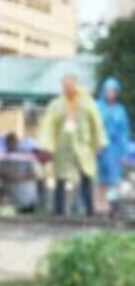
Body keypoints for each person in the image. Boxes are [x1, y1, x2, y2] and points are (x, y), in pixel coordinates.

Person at [37, 74, 105, 217]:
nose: (67, 88)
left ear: (75, 84)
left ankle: (89, 209)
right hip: (63, 146)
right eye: (65, 85)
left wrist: (100, 142)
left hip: (83, 146)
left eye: (69, 85)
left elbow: (97, 123)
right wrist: (46, 145)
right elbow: (48, 125)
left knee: (86, 176)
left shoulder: (87, 102)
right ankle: (58, 210)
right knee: (60, 177)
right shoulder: (57, 104)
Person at [97, 76, 130, 211]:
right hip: (100, 147)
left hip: (115, 148)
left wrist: (124, 151)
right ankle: (99, 207)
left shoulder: (120, 110)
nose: (111, 94)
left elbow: (124, 131)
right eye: (109, 91)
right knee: (100, 178)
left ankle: (114, 207)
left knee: (115, 178)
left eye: (114, 91)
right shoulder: (98, 107)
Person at [0, 131, 42, 214]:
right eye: (8, 143)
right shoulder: (4, 158)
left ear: (17, 143)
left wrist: (21, 177)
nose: (10, 145)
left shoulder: (26, 156)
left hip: (27, 199)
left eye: (13, 142)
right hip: (11, 200)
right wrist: (7, 177)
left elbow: (35, 175)